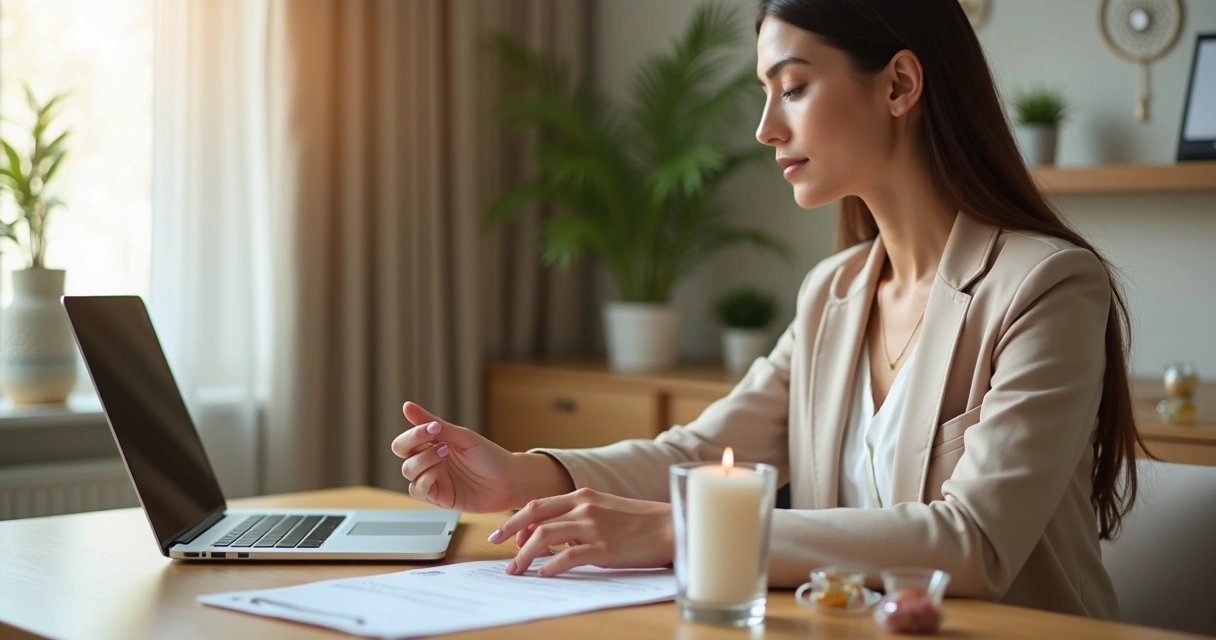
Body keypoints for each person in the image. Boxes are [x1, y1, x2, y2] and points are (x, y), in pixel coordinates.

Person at [390, 0, 1145, 619]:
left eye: (793, 87)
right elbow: (702, 450)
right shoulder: (833, 292)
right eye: (765, 91)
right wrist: (522, 477)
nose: (765, 128)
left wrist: (682, 531)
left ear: (898, 84)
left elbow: (974, 542)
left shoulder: (1046, 286)